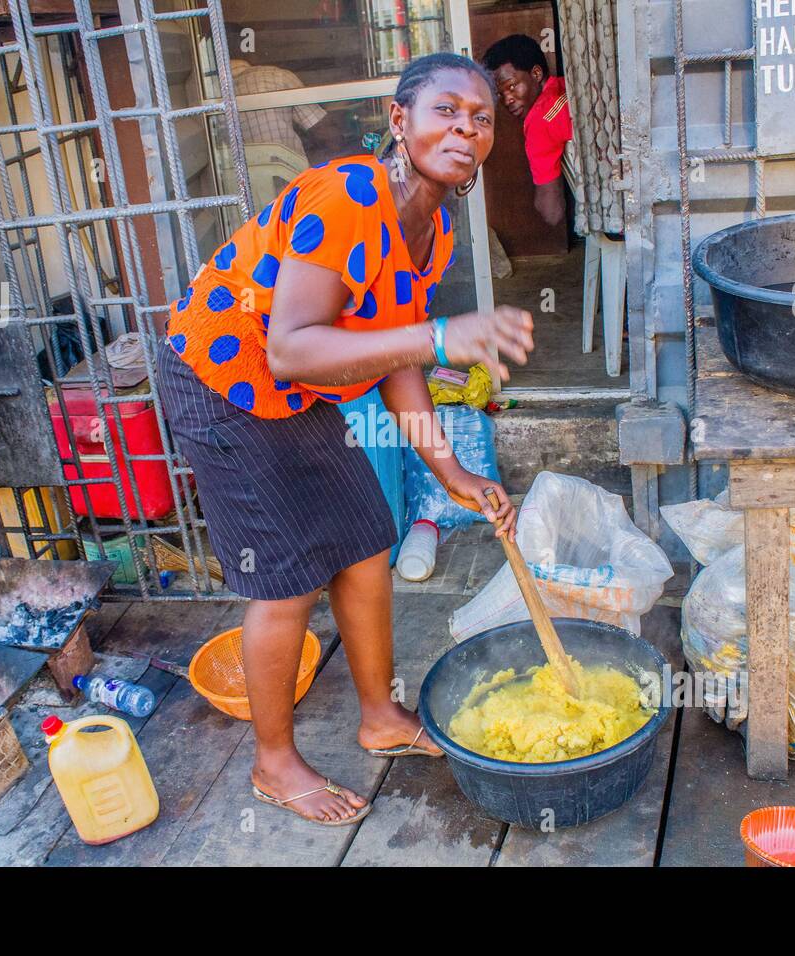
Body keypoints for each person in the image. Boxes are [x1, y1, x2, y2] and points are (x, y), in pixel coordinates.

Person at [156, 52, 534, 826]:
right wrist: (438, 335)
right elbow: (296, 345)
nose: (466, 127)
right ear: (399, 121)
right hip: (222, 378)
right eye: (446, 111)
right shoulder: (344, 196)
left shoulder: (434, 230)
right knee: (288, 577)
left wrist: (451, 468)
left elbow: (395, 354)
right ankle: (274, 763)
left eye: (482, 117)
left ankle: (380, 716)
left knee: (367, 541)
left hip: (294, 390)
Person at [483, 34, 574, 227]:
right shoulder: (565, 86)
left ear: (536, 74)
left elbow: (552, 212)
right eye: (501, 94)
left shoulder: (540, 121)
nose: (507, 100)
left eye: (512, 86)